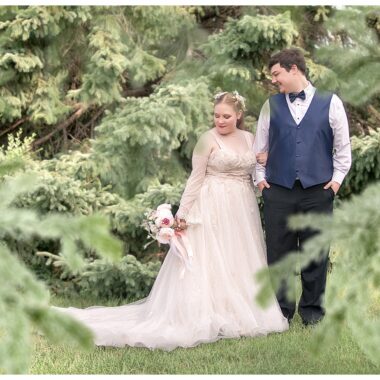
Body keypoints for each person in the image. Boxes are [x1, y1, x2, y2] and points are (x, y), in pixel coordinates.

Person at [53, 91, 288, 350]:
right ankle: (208, 313)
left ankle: (241, 312)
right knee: (212, 258)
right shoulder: (206, 140)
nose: (220, 121)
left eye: (226, 116)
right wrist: (183, 214)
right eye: (216, 115)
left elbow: (255, 172)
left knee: (239, 257)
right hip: (211, 206)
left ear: (239, 115)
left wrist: (262, 162)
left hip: (242, 208)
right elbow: (196, 178)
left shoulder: (249, 138)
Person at [254, 48, 352, 326]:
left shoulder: (331, 103)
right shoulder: (270, 105)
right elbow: (258, 149)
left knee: (315, 254)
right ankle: (281, 313)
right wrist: (261, 183)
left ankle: (312, 313)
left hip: (317, 191)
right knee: (278, 253)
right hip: (278, 190)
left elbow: (343, 150)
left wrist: (333, 185)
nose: (274, 80)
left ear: (293, 69)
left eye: (276, 74)